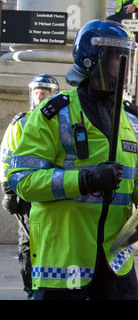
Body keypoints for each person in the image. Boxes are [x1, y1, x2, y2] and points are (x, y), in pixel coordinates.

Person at [7, 19, 138, 300]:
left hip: (116, 260)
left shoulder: (134, 121)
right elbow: (23, 180)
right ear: (92, 60)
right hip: (64, 260)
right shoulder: (54, 114)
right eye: (116, 56)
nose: (125, 66)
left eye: (128, 57)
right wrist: (86, 179)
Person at [0, 74, 59, 299]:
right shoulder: (21, 122)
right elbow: (7, 157)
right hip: (26, 192)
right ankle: (30, 287)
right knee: (27, 242)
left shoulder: (61, 120)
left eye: (44, 93)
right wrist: (8, 190)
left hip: (53, 190)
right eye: (36, 92)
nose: (39, 97)